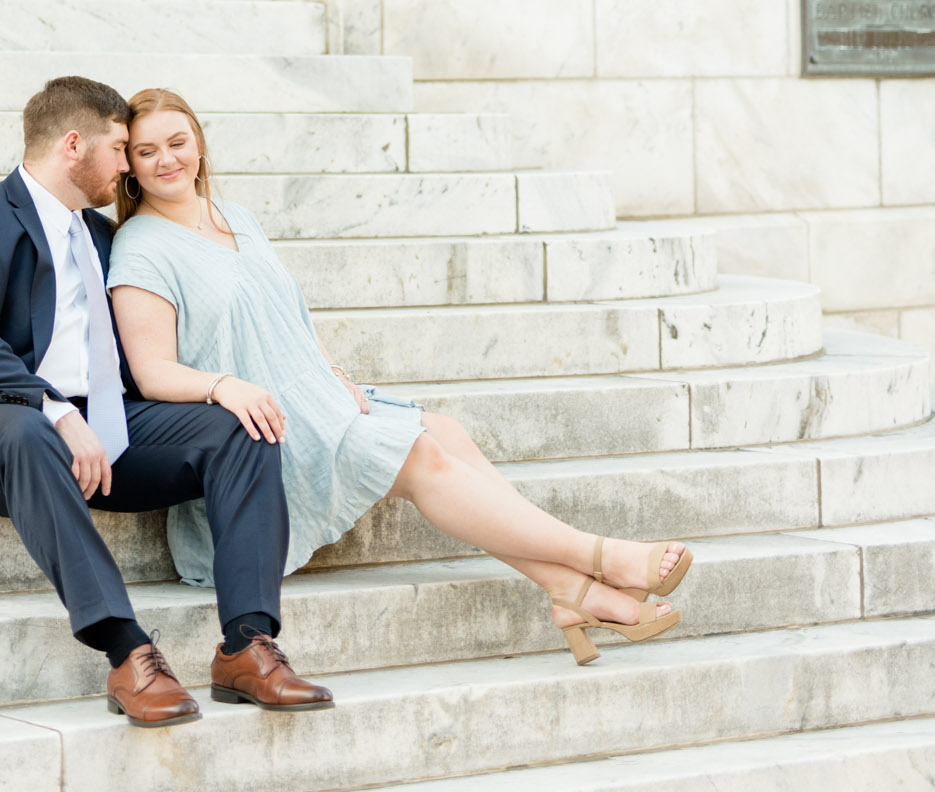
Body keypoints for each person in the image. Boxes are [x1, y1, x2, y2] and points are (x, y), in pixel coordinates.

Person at [108, 87, 694, 668]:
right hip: (264, 431)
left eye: (178, 142)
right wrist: (222, 386)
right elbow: (152, 371)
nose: (167, 160)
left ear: (200, 145)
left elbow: (284, 317)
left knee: (447, 432)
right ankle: (602, 557)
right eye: (147, 151)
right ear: (129, 165)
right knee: (423, 455)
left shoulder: (235, 217)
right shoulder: (140, 245)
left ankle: (573, 593)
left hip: (317, 400)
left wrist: (332, 371)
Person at [0, 73, 333, 724]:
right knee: (27, 432)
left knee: (239, 430)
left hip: (103, 428)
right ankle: (126, 650)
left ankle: (247, 647)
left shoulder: (103, 237)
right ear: (73, 145)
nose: (129, 167)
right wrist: (59, 413)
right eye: (121, 148)